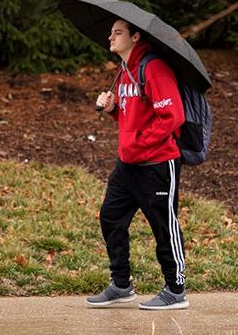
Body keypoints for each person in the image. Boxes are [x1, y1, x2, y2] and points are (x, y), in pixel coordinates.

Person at [85, 19, 188, 310]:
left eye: (118, 33)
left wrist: (140, 143)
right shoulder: (125, 71)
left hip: (157, 163)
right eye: (111, 32)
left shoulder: (153, 68)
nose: (111, 37)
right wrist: (113, 109)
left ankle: (176, 289)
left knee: (163, 226)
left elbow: (173, 117)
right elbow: (134, 117)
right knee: (110, 217)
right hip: (128, 164)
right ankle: (121, 284)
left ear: (135, 36)